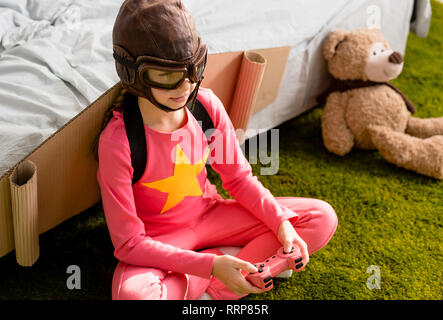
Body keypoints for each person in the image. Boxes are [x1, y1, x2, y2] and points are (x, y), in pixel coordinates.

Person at [94, 0, 338, 300]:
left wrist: (280, 223)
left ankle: (218, 281)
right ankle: (237, 268)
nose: (185, 85)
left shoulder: (205, 106)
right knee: (133, 296)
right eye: (167, 75)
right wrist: (210, 264)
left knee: (320, 217)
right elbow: (129, 244)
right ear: (133, 73)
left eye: (193, 68)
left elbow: (238, 179)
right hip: (163, 239)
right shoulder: (117, 141)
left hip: (212, 216)